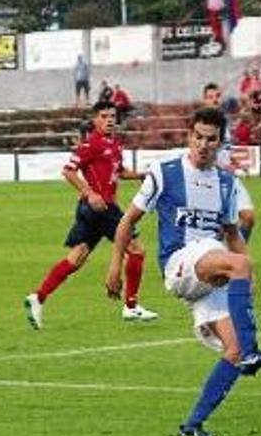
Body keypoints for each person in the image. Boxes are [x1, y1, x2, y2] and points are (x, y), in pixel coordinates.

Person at [105, 107, 261, 436]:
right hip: (180, 263)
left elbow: (232, 233)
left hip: (208, 270)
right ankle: (255, 347)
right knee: (239, 267)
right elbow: (128, 220)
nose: (203, 144)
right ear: (189, 136)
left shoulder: (227, 183)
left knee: (234, 351)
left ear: (220, 142)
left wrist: (247, 270)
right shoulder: (165, 172)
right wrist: (115, 263)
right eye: (197, 137)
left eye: (210, 139)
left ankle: (193, 425)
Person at [23, 101, 159, 329]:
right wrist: (89, 193)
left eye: (112, 116)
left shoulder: (114, 144)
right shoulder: (91, 144)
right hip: (102, 208)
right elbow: (68, 171)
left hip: (96, 211)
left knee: (76, 258)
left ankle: (38, 297)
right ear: (95, 120)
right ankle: (131, 306)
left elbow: (119, 172)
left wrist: (140, 175)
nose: (109, 120)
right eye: (104, 116)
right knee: (137, 249)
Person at [203, 83, 256, 243]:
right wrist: (223, 166)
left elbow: (225, 150)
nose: (215, 100)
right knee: (218, 228)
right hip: (212, 179)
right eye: (211, 97)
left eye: (217, 96)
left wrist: (236, 162)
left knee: (248, 217)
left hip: (229, 177)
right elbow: (203, 154)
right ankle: (220, 259)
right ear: (204, 100)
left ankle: (234, 254)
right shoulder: (203, 126)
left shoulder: (223, 123)